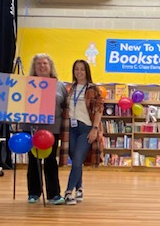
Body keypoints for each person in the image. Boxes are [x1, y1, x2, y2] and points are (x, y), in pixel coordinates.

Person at [23, 54, 68, 205]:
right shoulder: (27, 84)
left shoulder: (60, 85)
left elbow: (64, 107)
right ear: (34, 68)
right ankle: (34, 193)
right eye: (39, 64)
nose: (42, 66)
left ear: (50, 66)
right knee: (33, 161)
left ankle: (54, 194)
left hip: (52, 129)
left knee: (50, 161)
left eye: (45, 64)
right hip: (31, 128)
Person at [64, 59, 103, 205]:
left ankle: (68, 192)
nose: (79, 72)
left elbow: (99, 110)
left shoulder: (93, 89)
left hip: (85, 128)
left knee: (78, 160)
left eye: (82, 69)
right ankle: (79, 188)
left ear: (87, 71)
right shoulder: (71, 88)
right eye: (76, 69)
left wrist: (95, 129)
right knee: (75, 160)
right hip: (71, 129)